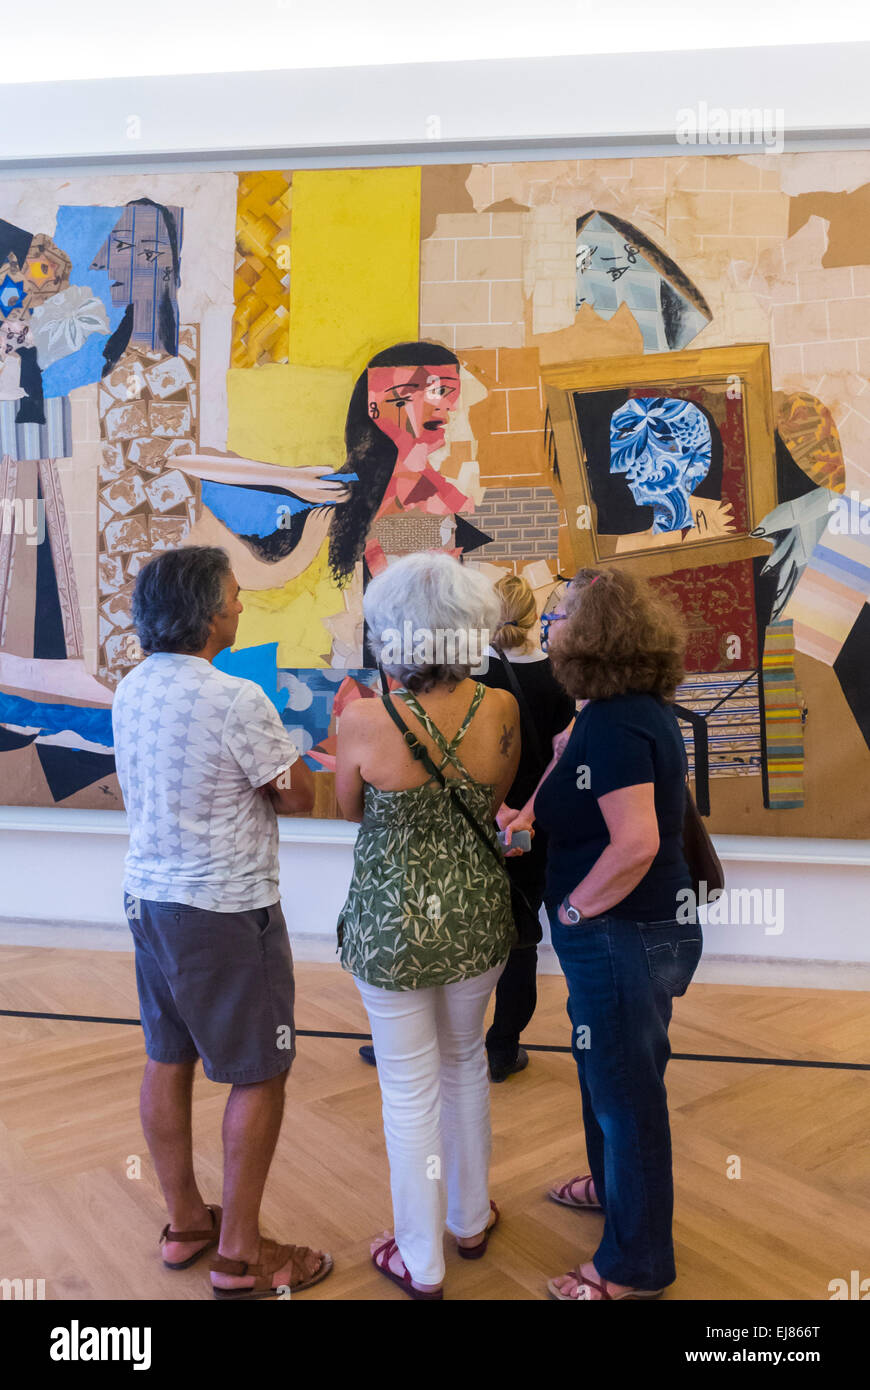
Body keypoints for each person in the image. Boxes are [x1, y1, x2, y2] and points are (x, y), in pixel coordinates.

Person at [112, 545, 333, 1300]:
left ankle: (185, 1224)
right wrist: (301, 760)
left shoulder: (131, 690)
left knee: (165, 1056)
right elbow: (297, 797)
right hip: (226, 910)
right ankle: (240, 1257)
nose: (242, 606)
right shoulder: (238, 697)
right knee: (260, 1072)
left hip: (149, 902)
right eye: (236, 596)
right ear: (210, 613)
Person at [504, 567, 701, 1301]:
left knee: (627, 1096)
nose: (549, 624)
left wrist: (578, 912)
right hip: (629, 932)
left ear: (592, 634)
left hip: (623, 932)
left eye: (560, 614)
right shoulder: (612, 712)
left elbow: (637, 844)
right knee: (610, 1073)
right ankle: (615, 1188)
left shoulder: (619, 724)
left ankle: (634, 1266)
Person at [335, 551, 520, 1298]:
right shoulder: (499, 708)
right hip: (477, 914)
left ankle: (421, 1258)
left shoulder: (361, 720)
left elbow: (351, 811)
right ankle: (470, 1219)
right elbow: (494, 797)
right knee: (466, 1063)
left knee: (408, 1090)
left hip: (391, 926)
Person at [477, 574, 575, 1081]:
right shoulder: (558, 679)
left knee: (463, 930)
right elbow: (562, 760)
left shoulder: (470, 679)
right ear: (535, 618)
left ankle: (432, 1043)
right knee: (521, 938)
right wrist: (526, 813)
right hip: (539, 829)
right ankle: (503, 1047)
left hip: (479, 824)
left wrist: (497, 808)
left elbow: (464, 756)